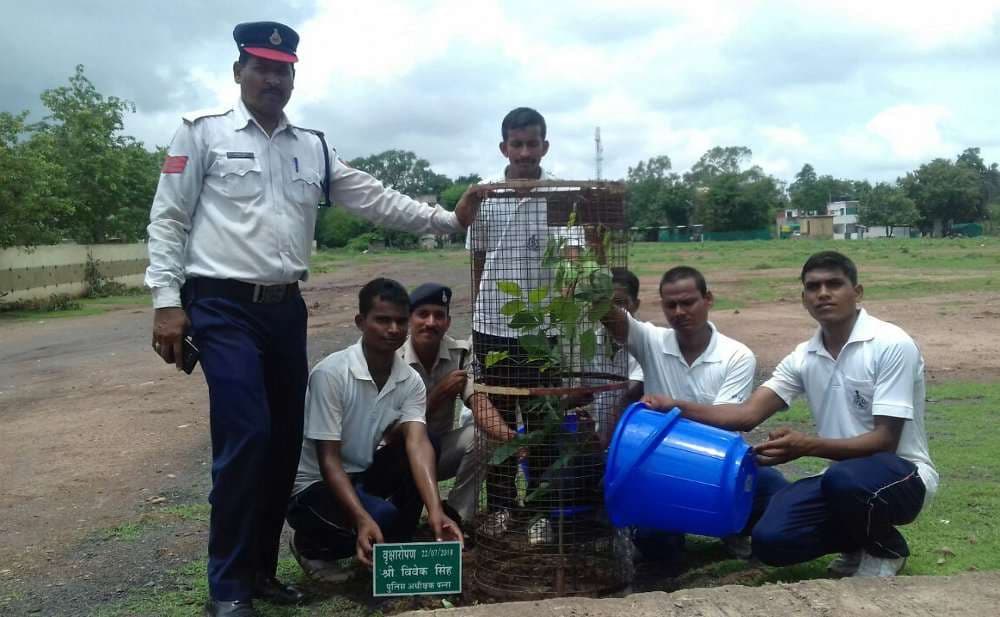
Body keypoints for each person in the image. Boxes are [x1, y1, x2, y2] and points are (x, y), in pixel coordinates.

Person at [144, 22, 479, 617]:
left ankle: (261, 573)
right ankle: (227, 586)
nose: (272, 78)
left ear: (294, 76)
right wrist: (167, 301)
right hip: (220, 305)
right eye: (261, 67)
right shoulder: (202, 134)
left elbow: (376, 198)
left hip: (284, 310)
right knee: (245, 435)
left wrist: (448, 221)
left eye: (283, 69)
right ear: (238, 71)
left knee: (278, 445)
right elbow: (169, 219)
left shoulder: (313, 147)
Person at [641, 251, 937, 577]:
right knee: (771, 539)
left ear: (858, 292)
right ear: (804, 299)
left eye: (834, 284)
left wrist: (805, 446)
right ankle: (855, 543)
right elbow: (746, 416)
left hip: (902, 475)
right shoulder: (804, 356)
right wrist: (676, 407)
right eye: (813, 287)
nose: (823, 293)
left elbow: (885, 441)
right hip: (842, 480)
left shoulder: (891, 344)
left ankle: (886, 548)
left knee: (844, 478)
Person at [603, 265, 785, 562]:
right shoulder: (650, 341)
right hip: (660, 464)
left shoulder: (736, 355)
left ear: (708, 299)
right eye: (670, 304)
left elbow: (729, 419)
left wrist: (672, 406)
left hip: (720, 463)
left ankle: (732, 527)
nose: (679, 311)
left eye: (688, 302)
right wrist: (587, 273)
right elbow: (609, 315)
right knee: (656, 545)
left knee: (777, 493)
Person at [285, 279, 462, 581]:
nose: (393, 329)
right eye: (382, 320)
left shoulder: (409, 380)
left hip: (363, 474)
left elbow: (418, 444)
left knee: (427, 439)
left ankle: (392, 546)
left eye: (400, 321)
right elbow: (329, 460)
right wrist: (362, 517)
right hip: (314, 486)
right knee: (381, 518)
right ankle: (312, 546)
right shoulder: (331, 374)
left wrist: (435, 509)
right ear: (360, 322)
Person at [466, 107, 578, 536]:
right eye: (518, 144)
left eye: (533, 143)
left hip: (541, 332)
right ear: (504, 147)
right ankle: (501, 508)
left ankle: (542, 512)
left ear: (544, 146)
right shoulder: (486, 199)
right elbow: (478, 260)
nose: (525, 152)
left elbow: (571, 259)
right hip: (491, 327)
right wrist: (481, 307)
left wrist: (565, 304)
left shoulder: (560, 197)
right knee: (500, 425)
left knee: (544, 422)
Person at [398, 283, 477, 525]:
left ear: (448, 322)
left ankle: (455, 514)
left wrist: (510, 437)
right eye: (423, 314)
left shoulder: (459, 355)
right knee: (395, 529)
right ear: (409, 319)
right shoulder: (393, 359)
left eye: (439, 316)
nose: (431, 322)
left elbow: (478, 401)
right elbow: (387, 430)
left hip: (438, 453)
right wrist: (437, 396)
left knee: (481, 435)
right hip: (395, 457)